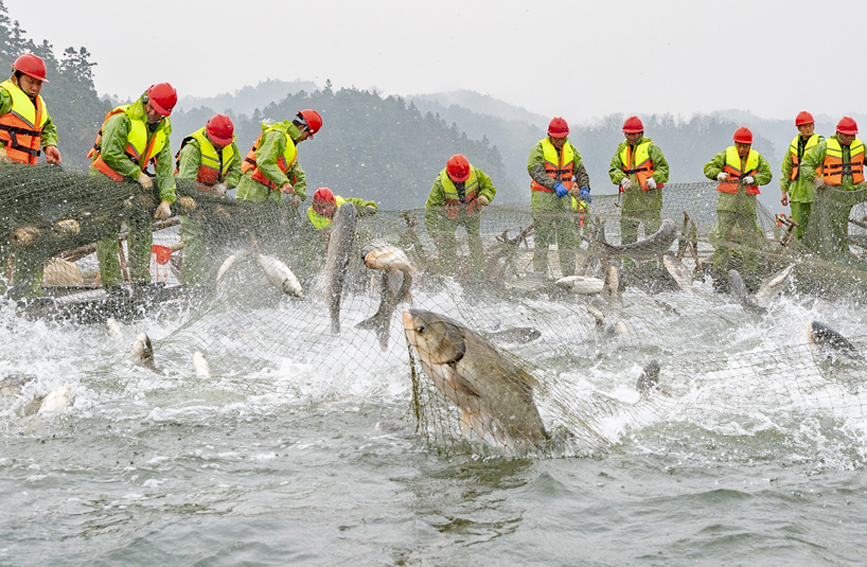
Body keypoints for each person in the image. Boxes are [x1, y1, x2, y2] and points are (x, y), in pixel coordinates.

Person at [87, 82, 178, 292]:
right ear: (146, 100)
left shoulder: (161, 132)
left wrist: (166, 200)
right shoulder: (122, 119)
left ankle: (140, 282)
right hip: (104, 180)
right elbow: (109, 153)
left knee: (142, 223)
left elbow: (165, 170)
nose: (153, 112)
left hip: (130, 184)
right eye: (151, 106)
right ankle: (112, 286)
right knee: (107, 229)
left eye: (159, 111)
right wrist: (138, 174)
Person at [0, 54, 62, 297]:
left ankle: (30, 295)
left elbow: (48, 127)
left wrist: (49, 145)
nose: (35, 87)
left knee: (33, 236)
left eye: (39, 83)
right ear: (17, 77)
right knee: (2, 237)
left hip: (26, 181)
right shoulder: (4, 94)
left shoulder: (40, 104)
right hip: (3, 179)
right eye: (31, 81)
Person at [175, 114, 241, 284]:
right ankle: (189, 285)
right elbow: (185, 182)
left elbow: (237, 172)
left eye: (223, 143)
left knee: (218, 237)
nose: (220, 146)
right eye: (217, 142)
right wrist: (202, 198)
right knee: (196, 240)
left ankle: (211, 282)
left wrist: (225, 185)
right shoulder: (194, 146)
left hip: (214, 199)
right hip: (189, 199)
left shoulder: (231, 147)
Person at [703, 126, 772, 282]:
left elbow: (767, 175)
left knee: (750, 239)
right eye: (739, 145)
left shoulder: (757, 158)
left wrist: (755, 179)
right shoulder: (725, 155)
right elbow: (708, 168)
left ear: (750, 145)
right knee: (722, 238)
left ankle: (750, 272)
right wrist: (717, 174)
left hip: (747, 206)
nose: (742, 148)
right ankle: (718, 271)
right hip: (727, 205)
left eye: (745, 145)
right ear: (735, 143)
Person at [527, 117, 591, 278]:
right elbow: (535, 171)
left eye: (562, 138)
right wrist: (554, 184)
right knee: (542, 240)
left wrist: (585, 187)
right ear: (550, 135)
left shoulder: (571, 150)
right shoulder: (539, 148)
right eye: (556, 138)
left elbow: (581, 172)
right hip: (543, 202)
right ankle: (539, 276)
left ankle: (568, 276)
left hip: (564, 203)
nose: (559, 141)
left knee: (567, 240)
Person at [800, 117, 867, 262]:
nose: (849, 138)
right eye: (846, 135)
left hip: (855, 191)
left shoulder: (861, 146)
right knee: (835, 230)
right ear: (838, 133)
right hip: (832, 194)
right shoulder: (824, 146)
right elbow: (806, 164)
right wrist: (815, 178)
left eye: (852, 135)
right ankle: (838, 258)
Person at [424, 154, 497, 276]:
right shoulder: (440, 183)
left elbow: (489, 187)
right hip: (450, 216)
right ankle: (446, 275)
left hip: (472, 212)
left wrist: (485, 196)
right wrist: (434, 234)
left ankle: (478, 274)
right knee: (447, 244)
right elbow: (431, 209)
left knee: (475, 242)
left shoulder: (476, 173)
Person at [235, 109, 321, 206]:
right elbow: (264, 162)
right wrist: (284, 182)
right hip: (251, 192)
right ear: (301, 127)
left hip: (269, 198)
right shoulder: (277, 135)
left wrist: (299, 195)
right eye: (308, 134)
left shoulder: (290, 145)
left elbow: (299, 177)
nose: (306, 138)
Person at [608, 116, 669, 245]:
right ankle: (628, 264)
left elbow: (663, 168)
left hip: (650, 199)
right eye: (627, 134)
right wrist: (622, 179)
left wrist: (654, 179)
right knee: (627, 236)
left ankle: (651, 265)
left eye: (633, 134)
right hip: (629, 199)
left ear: (641, 133)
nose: (630, 137)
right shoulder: (621, 150)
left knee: (652, 236)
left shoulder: (652, 148)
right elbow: (613, 169)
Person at [780, 111, 823, 240]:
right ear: (798, 128)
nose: (808, 128)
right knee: (799, 229)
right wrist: (783, 191)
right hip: (797, 193)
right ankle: (802, 256)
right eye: (805, 126)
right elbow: (786, 169)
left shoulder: (820, 143)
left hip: (814, 192)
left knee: (816, 228)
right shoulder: (794, 145)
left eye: (810, 125)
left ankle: (816, 256)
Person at [307, 187, 377, 236]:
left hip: (348, 236)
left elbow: (356, 202)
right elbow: (306, 236)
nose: (326, 213)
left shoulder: (341, 203)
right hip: (326, 245)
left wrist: (368, 205)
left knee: (363, 235)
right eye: (322, 211)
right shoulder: (311, 216)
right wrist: (321, 234)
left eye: (328, 209)